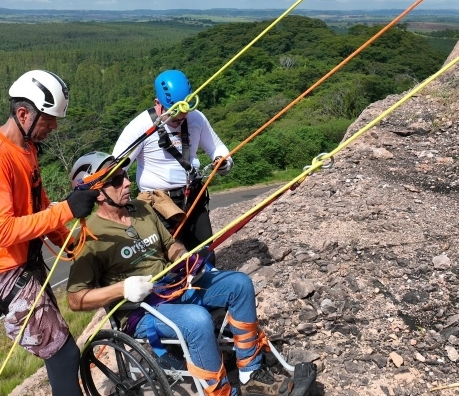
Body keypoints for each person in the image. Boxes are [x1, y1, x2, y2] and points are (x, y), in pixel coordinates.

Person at [66, 152, 293, 396]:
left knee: (239, 284)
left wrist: (184, 258)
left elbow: (170, 245)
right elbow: (75, 299)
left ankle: (251, 372)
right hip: (140, 311)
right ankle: (220, 392)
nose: (128, 182)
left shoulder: (142, 209)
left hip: (173, 286)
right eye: (117, 180)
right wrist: (123, 289)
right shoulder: (90, 237)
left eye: (125, 175)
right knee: (196, 320)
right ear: (97, 192)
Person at [0, 70, 101, 396]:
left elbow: (38, 205)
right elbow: (2, 230)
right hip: (1, 273)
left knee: (59, 349)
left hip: (23, 263)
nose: (53, 127)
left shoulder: (26, 149)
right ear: (23, 114)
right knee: (65, 352)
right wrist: (67, 209)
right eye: (49, 120)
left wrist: (65, 240)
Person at [112, 69, 233, 254]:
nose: (180, 119)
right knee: (172, 260)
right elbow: (117, 167)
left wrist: (222, 161)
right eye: (174, 115)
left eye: (184, 114)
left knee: (204, 253)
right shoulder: (141, 126)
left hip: (193, 197)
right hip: (158, 203)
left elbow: (217, 147)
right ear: (157, 103)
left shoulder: (196, 118)